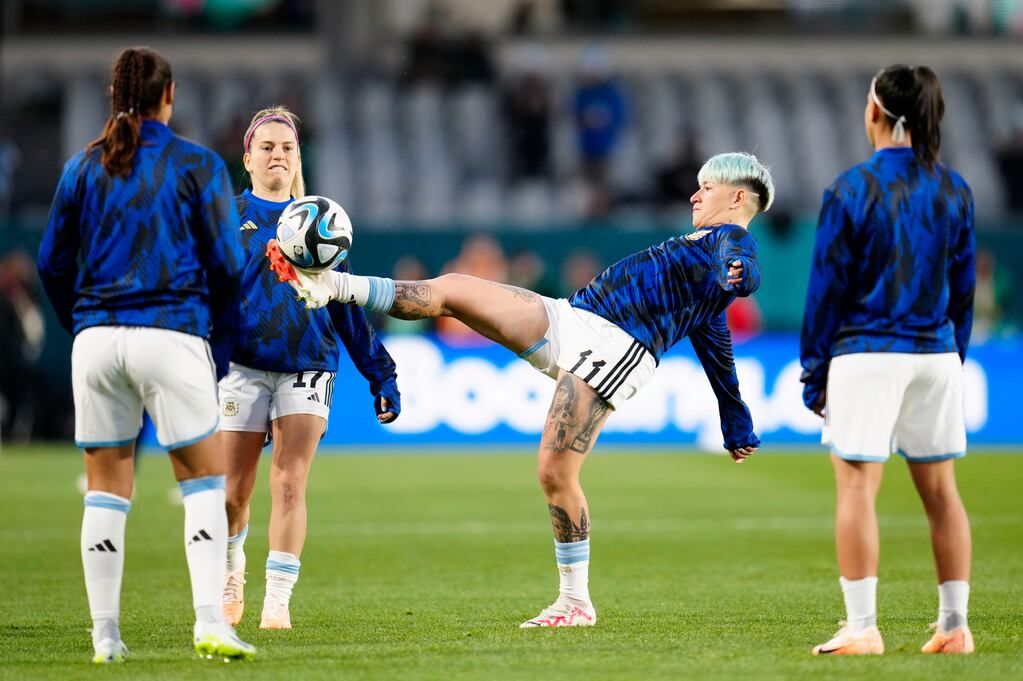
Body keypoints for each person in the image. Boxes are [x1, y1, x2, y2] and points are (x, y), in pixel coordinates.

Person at [269, 151, 772, 628]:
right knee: (453, 289)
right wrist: (735, 413)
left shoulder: (728, 243)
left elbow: (742, 263)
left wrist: (741, 274)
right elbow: (714, 335)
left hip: (615, 348)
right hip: (572, 316)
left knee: (554, 471)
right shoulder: (702, 255)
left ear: (737, 199)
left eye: (707, 187)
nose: (694, 195)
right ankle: (329, 286)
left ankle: (575, 601)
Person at [36, 47, 256, 662]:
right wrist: (220, 344)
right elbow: (228, 265)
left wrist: (82, 326)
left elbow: (51, 262)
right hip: (172, 331)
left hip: (96, 341)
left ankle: (105, 637)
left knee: (106, 488)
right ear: (171, 95)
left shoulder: (83, 167)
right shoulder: (196, 164)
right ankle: (211, 622)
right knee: (204, 482)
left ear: (113, 96)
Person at [800, 65, 976, 656]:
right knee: (943, 493)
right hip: (936, 353)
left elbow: (826, 288)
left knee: (857, 489)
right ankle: (954, 627)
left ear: (873, 112)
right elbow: (964, 290)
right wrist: (954, 357)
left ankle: (862, 628)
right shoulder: (955, 188)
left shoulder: (850, 188)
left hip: (867, 351)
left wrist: (813, 369)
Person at [219, 107, 401, 631]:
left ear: (299, 158)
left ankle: (278, 600)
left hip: (309, 364)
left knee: (291, 483)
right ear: (248, 156)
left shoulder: (320, 219)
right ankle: (233, 571)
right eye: (268, 147)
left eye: (288, 148)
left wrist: (379, 373)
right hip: (242, 366)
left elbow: (345, 305)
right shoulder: (223, 217)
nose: (278, 155)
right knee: (234, 491)